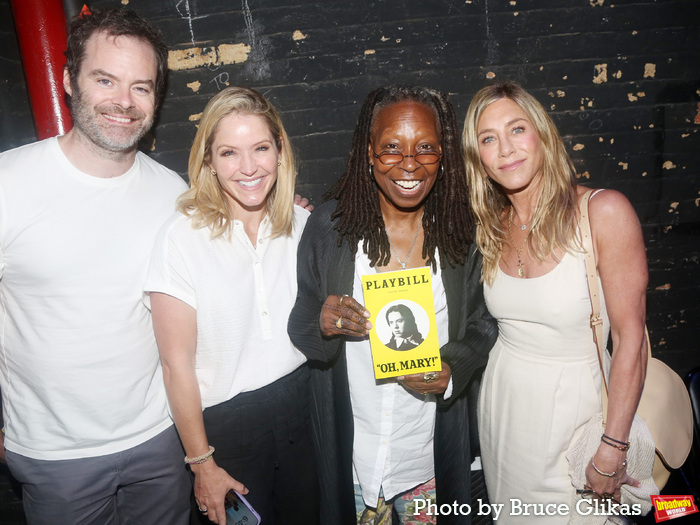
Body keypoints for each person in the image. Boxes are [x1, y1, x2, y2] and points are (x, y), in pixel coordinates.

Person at [0, 7, 192, 524]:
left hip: (161, 441)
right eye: (105, 79)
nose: (124, 103)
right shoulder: (8, 184)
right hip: (55, 457)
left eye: (142, 87)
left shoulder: (172, 193)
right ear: (68, 79)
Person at [288, 85, 498, 524]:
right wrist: (322, 321)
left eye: (425, 148)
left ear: (444, 156)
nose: (408, 164)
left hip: (426, 458)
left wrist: (453, 369)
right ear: (368, 151)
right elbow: (301, 322)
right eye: (390, 148)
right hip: (353, 458)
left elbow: (483, 323)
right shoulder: (331, 228)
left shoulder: (461, 234)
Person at [462, 82, 648, 523]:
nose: (505, 149)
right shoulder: (492, 225)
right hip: (503, 410)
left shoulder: (602, 212)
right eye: (488, 139)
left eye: (517, 129)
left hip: (575, 417)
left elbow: (630, 339)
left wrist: (613, 445)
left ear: (542, 133)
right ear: (480, 160)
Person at [145, 86, 319, 525]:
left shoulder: (302, 225)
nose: (248, 168)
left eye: (260, 148)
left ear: (280, 151)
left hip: (306, 411)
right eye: (229, 153)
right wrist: (201, 463)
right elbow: (175, 366)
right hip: (226, 430)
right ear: (208, 161)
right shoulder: (180, 239)